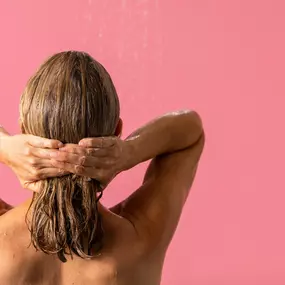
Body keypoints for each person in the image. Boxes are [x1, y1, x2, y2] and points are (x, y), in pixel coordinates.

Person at [0, 51, 205, 285]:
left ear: (24, 131)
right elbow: (190, 130)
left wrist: (4, 146)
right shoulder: (141, 240)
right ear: (116, 130)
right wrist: (129, 151)